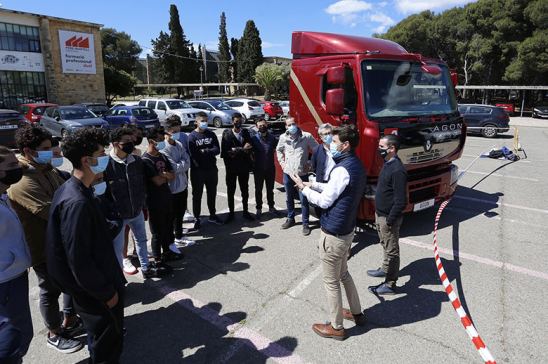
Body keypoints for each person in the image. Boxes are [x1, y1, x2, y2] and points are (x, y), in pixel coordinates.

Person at [46, 128, 126, 363]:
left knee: (108, 340)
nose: (105, 156)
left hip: (98, 284)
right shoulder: (76, 201)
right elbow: (78, 259)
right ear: (86, 160)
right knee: (106, 345)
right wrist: (106, 293)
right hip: (96, 291)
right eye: (101, 153)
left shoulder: (78, 189)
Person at [7, 126, 83, 354]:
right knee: (50, 291)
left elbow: (66, 194)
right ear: (28, 151)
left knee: (69, 283)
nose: (52, 153)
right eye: (46, 149)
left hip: (62, 241)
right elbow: (51, 211)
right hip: (42, 247)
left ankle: (68, 320)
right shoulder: (21, 180)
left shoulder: (46, 168)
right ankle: (54, 333)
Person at [292, 126, 366, 340]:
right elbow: (335, 188)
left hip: (334, 233)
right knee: (344, 274)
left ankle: (336, 327)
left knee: (331, 281)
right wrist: (312, 183)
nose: (330, 144)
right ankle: (357, 313)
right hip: (347, 229)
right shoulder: (356, 165)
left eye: (334, 141)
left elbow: (325, 200)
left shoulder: (342, 168)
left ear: (345, 145)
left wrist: (304, 190)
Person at [102, 127, 161, 278]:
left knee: (141, 240)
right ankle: (119, 277)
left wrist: (142, 205)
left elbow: (142, 184)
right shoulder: (106, 165)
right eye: (127, 141)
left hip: (137, 211)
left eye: (131, 141)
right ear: (115, 144)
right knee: (118, 247)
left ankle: (146, 268)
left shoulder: (136, 161)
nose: (131, 144)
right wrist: (113, 212)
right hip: (119, 216)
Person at [0, 146, 33, 364]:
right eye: (11, 166)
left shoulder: (3, 195)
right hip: (5, 280)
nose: (17, 169)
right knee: (10, 338)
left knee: (21, 332)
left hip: (14, 274)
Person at [367, 134, 408, 295]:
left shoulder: (398, 170)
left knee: (392, 251)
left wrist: (390, 220)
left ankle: (390, 284)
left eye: (382, 147)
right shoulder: (387, 163)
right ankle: (384, 269)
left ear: (392, 149)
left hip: (388, 218)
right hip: (381, 214)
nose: (379, 150)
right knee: (385, 244)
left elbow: (401, 201)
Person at [142, 127, 183, 263]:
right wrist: (165, 175)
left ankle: (167, 252)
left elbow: (172, 175)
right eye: (159, 140)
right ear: (150, 141)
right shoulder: (146, 160)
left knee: (167, 228)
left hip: (166, 197)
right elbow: (157, 181)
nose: (161, 142)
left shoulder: (162, 156)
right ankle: (157, 259)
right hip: (154, 201)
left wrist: (164, 175)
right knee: (157, 232)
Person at [276, 117, 318, 236]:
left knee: (303, 200)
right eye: (289, 125)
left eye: (293, 124)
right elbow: (278, 150)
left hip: (302, 175)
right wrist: (282, 164)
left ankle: (305, 223)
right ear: (286, 127)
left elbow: (317, 150)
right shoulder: (283, 137)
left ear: (297, 124)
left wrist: (310, 164)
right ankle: (290, 218)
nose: (292, 126)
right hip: (288, 173)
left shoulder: (306, 136)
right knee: (289, 198)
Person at [161, 118, 195, 248]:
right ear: (167, 131)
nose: (177, 133)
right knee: (172, 215)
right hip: (172, 188)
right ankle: (173, 239)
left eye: (178, 131)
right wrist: (182, 164)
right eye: (174, 131)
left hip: (182, 185)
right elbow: (174, 167)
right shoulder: (164, 148)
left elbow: (187, 161)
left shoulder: (179, 144)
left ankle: (179, 235)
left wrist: (181, 164)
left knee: (180, 213)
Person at [188, 111, 222, 230]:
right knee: (197, 195)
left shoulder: (211, 134)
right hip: (198, 171)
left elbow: (217, 150)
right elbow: (193, 155)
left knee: (212, 193)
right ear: (196, 122)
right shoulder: (192, 137)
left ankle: (213, 215)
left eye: (206, 121)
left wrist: (205, 151)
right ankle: (197, 217)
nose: (204, 123)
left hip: (212, 169)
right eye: (202, 121)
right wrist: (207, 151)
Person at [221, 113, 254, 222]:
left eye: (240, 121)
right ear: (232, 122)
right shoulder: (226, 134)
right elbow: (226, 153)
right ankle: (231, 213)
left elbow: (249, 148)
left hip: (244, 168)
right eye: (236, 121)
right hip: (231, 169)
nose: (238, 123)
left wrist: (236, 150)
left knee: (245, 190)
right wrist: (242, 150)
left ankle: (245, 211)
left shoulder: (245, 133)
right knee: (231, 190)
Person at [251, 118, 280, 219]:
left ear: (266, 124)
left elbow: (279, 148)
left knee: (270, 189)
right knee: (258, 190)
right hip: (258, 169)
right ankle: (259, 209)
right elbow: (249, 152)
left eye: (263, 125)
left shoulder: (272, 138)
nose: (262, 127)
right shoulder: (253, 139)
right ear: (257, 127)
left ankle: (271, 207)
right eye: (260, 126)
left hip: (270, 168)